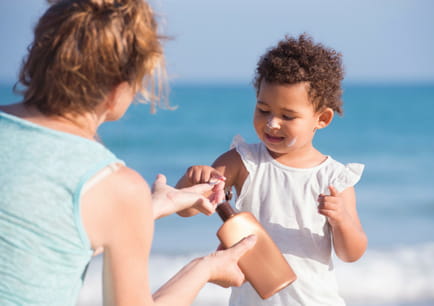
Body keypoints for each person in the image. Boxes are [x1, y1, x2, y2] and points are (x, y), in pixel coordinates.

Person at [0, 0, 256, 305]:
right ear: (117, 89)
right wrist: (206, 268)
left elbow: (40, 234)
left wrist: (155, 206)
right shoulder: (115, 185)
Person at [176, 34, 368, 305]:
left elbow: (351, 253)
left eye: (287, 116)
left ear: (321, 119)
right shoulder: (242, 161)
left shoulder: (333, 178)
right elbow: (186, 207)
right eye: (263, 109)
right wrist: (193, 179)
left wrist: (342, 221)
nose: (272, 123)